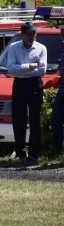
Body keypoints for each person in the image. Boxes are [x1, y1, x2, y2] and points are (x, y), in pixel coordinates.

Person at [7, 21, 47, 161]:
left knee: (35, 119)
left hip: (35, 84)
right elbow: (11, 68)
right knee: (19, 118)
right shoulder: (14, 47)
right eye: (30, 33)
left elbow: (42, 70)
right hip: (19, 84)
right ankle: (20, 153)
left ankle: (34, 154)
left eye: (34, 33)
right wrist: (29, 66)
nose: (32, 36)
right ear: (23, 34)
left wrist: (21, 68)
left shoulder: (41, 48)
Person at [50, 25, 64, 157]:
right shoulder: (62, 46)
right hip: (62, 89)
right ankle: (58, 150)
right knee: (55, 119)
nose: (61, 33)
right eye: (61, 31)